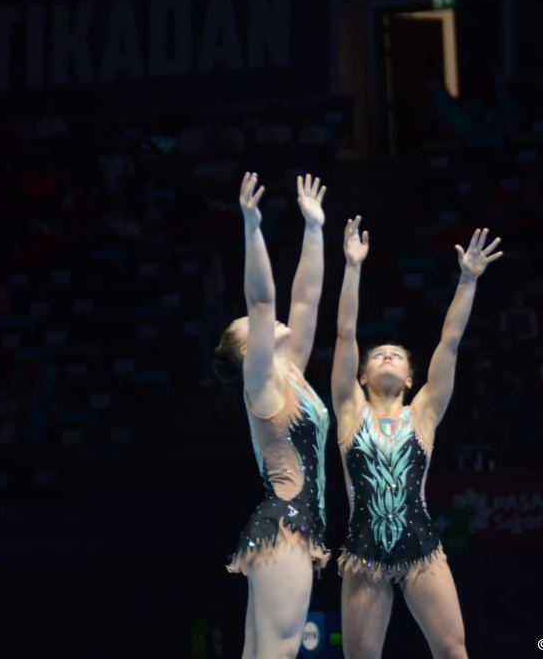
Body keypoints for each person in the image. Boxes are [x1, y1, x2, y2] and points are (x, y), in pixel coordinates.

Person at [332, 219, 503, 658]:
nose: (387, 355)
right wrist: (352, 268)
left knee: (452, 650)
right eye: (378, 356)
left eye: (397, 355)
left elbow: (450, 342)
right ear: (363, 375)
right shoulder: (350, 409)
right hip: (363, 551)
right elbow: (345, 334)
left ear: (410, 378)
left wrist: (467, 280)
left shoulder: (424, 413)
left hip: (422, 546)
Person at [213, 172, 330, 659]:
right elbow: (262, 302)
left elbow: (305, 300)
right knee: (276, 653)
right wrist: (251, 225)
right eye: (254, 331)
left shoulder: (292, 372)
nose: (271, 324)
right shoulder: (260, 385)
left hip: (282, 528)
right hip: (287, 527)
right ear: (247, 350)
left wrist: (314, 229)